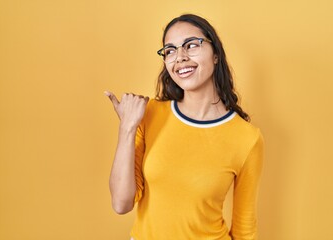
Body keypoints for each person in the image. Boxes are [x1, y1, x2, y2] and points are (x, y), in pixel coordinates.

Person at [105, 13, 264, 240]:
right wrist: (127, 127)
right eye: (170, 51)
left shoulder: (247, 138)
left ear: (216, 54)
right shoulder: (148, 115)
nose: (179, 57)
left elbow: (244, 229)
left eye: (191, 45)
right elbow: (121, 203)